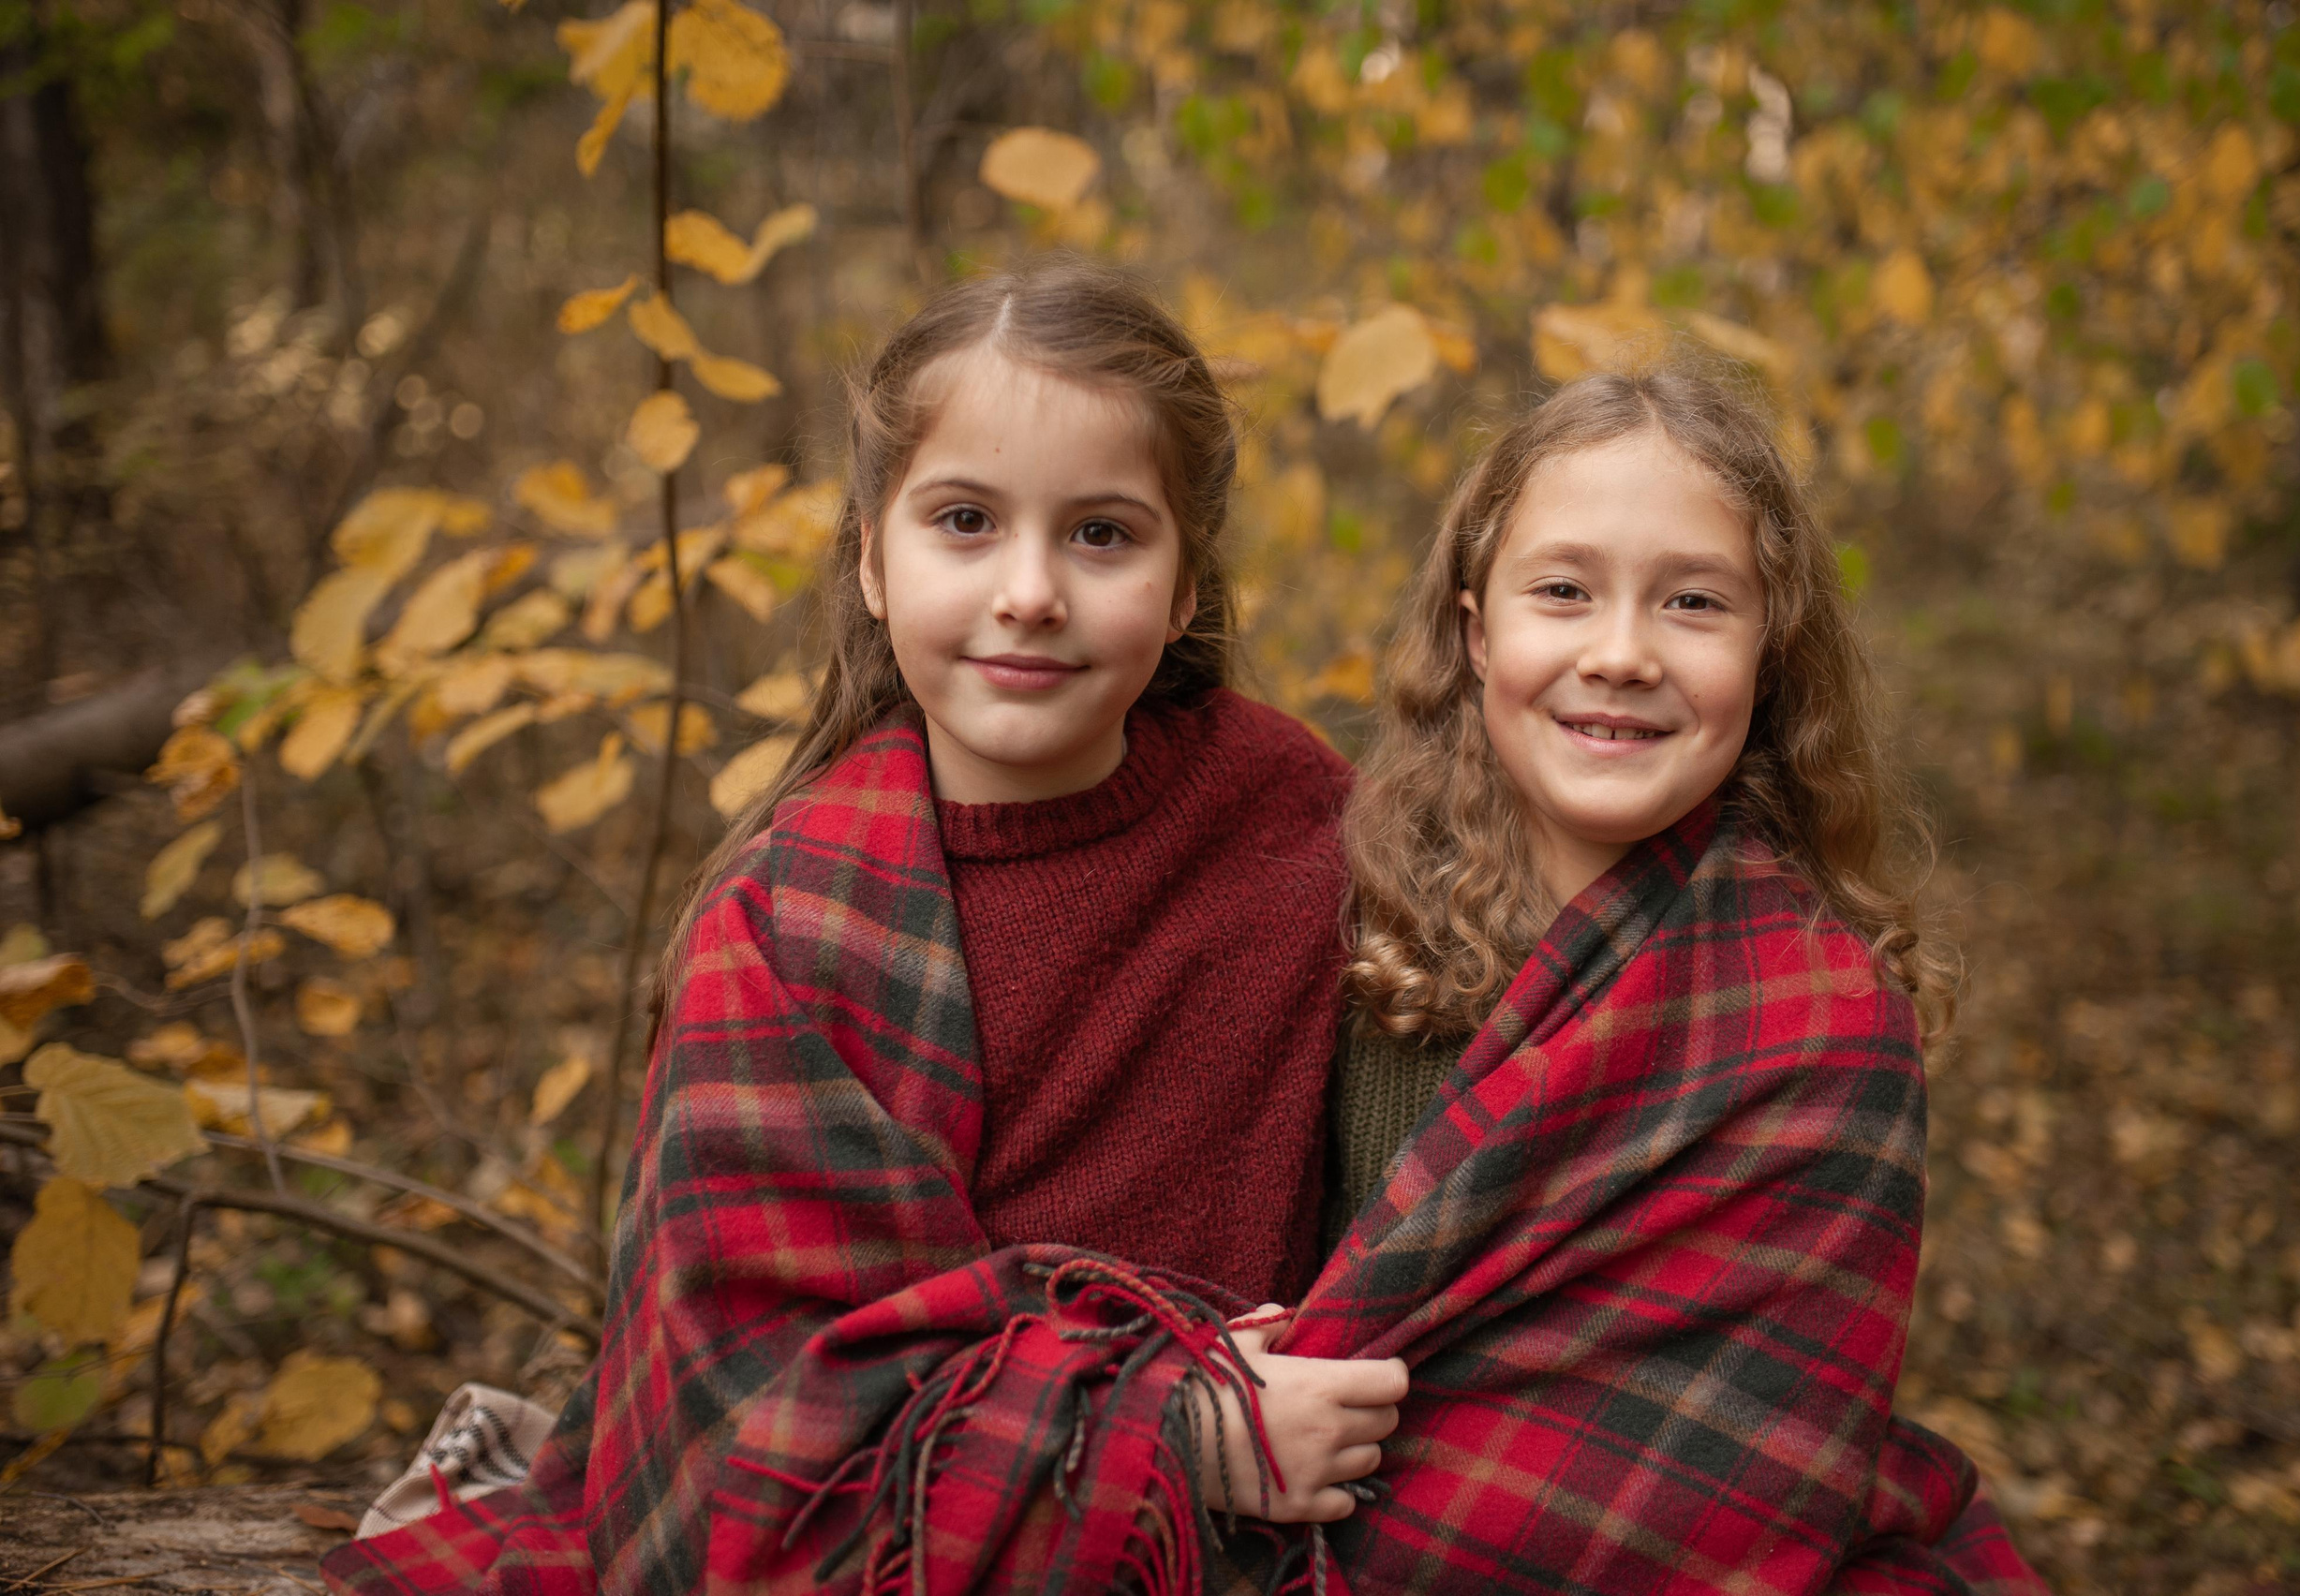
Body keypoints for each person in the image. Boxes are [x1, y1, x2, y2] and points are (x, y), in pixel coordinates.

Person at [324, 259, 1405, 1596]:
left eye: (1104, 535)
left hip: (1280, 1526)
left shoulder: (1299, 820)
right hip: (960, 1530)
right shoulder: (788, 927)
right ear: (871, 565)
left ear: (1187, 587)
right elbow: (750, 1429)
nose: (1030, 591)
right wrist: (1172, 1432)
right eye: (964, 521)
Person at [1284, 362, 2051, 1593]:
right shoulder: (1331, 937)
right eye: (1564, 592)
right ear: (1479, 636)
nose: (1624, 653)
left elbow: (1734, 1463)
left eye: (1693, 603)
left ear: (1769, 653)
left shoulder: (1819, 1023)